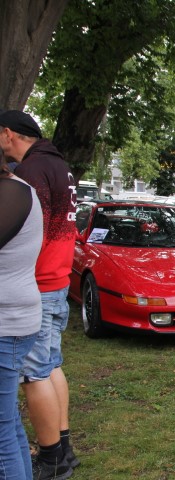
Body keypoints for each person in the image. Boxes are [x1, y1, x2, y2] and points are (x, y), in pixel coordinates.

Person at [0, 110, 77, 479]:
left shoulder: (29, 173)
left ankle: (51, 459)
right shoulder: (59, 165)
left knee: (35, 375)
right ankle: (63, 447)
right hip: (59, 278)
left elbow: (30, 232)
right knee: (51, 365)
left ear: (7, 134)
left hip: (40, 281)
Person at [0, 151, 43, 480]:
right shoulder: (16, 189)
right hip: (15, 316)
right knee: (8, 424)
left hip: (8, 321)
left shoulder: (14, 191)